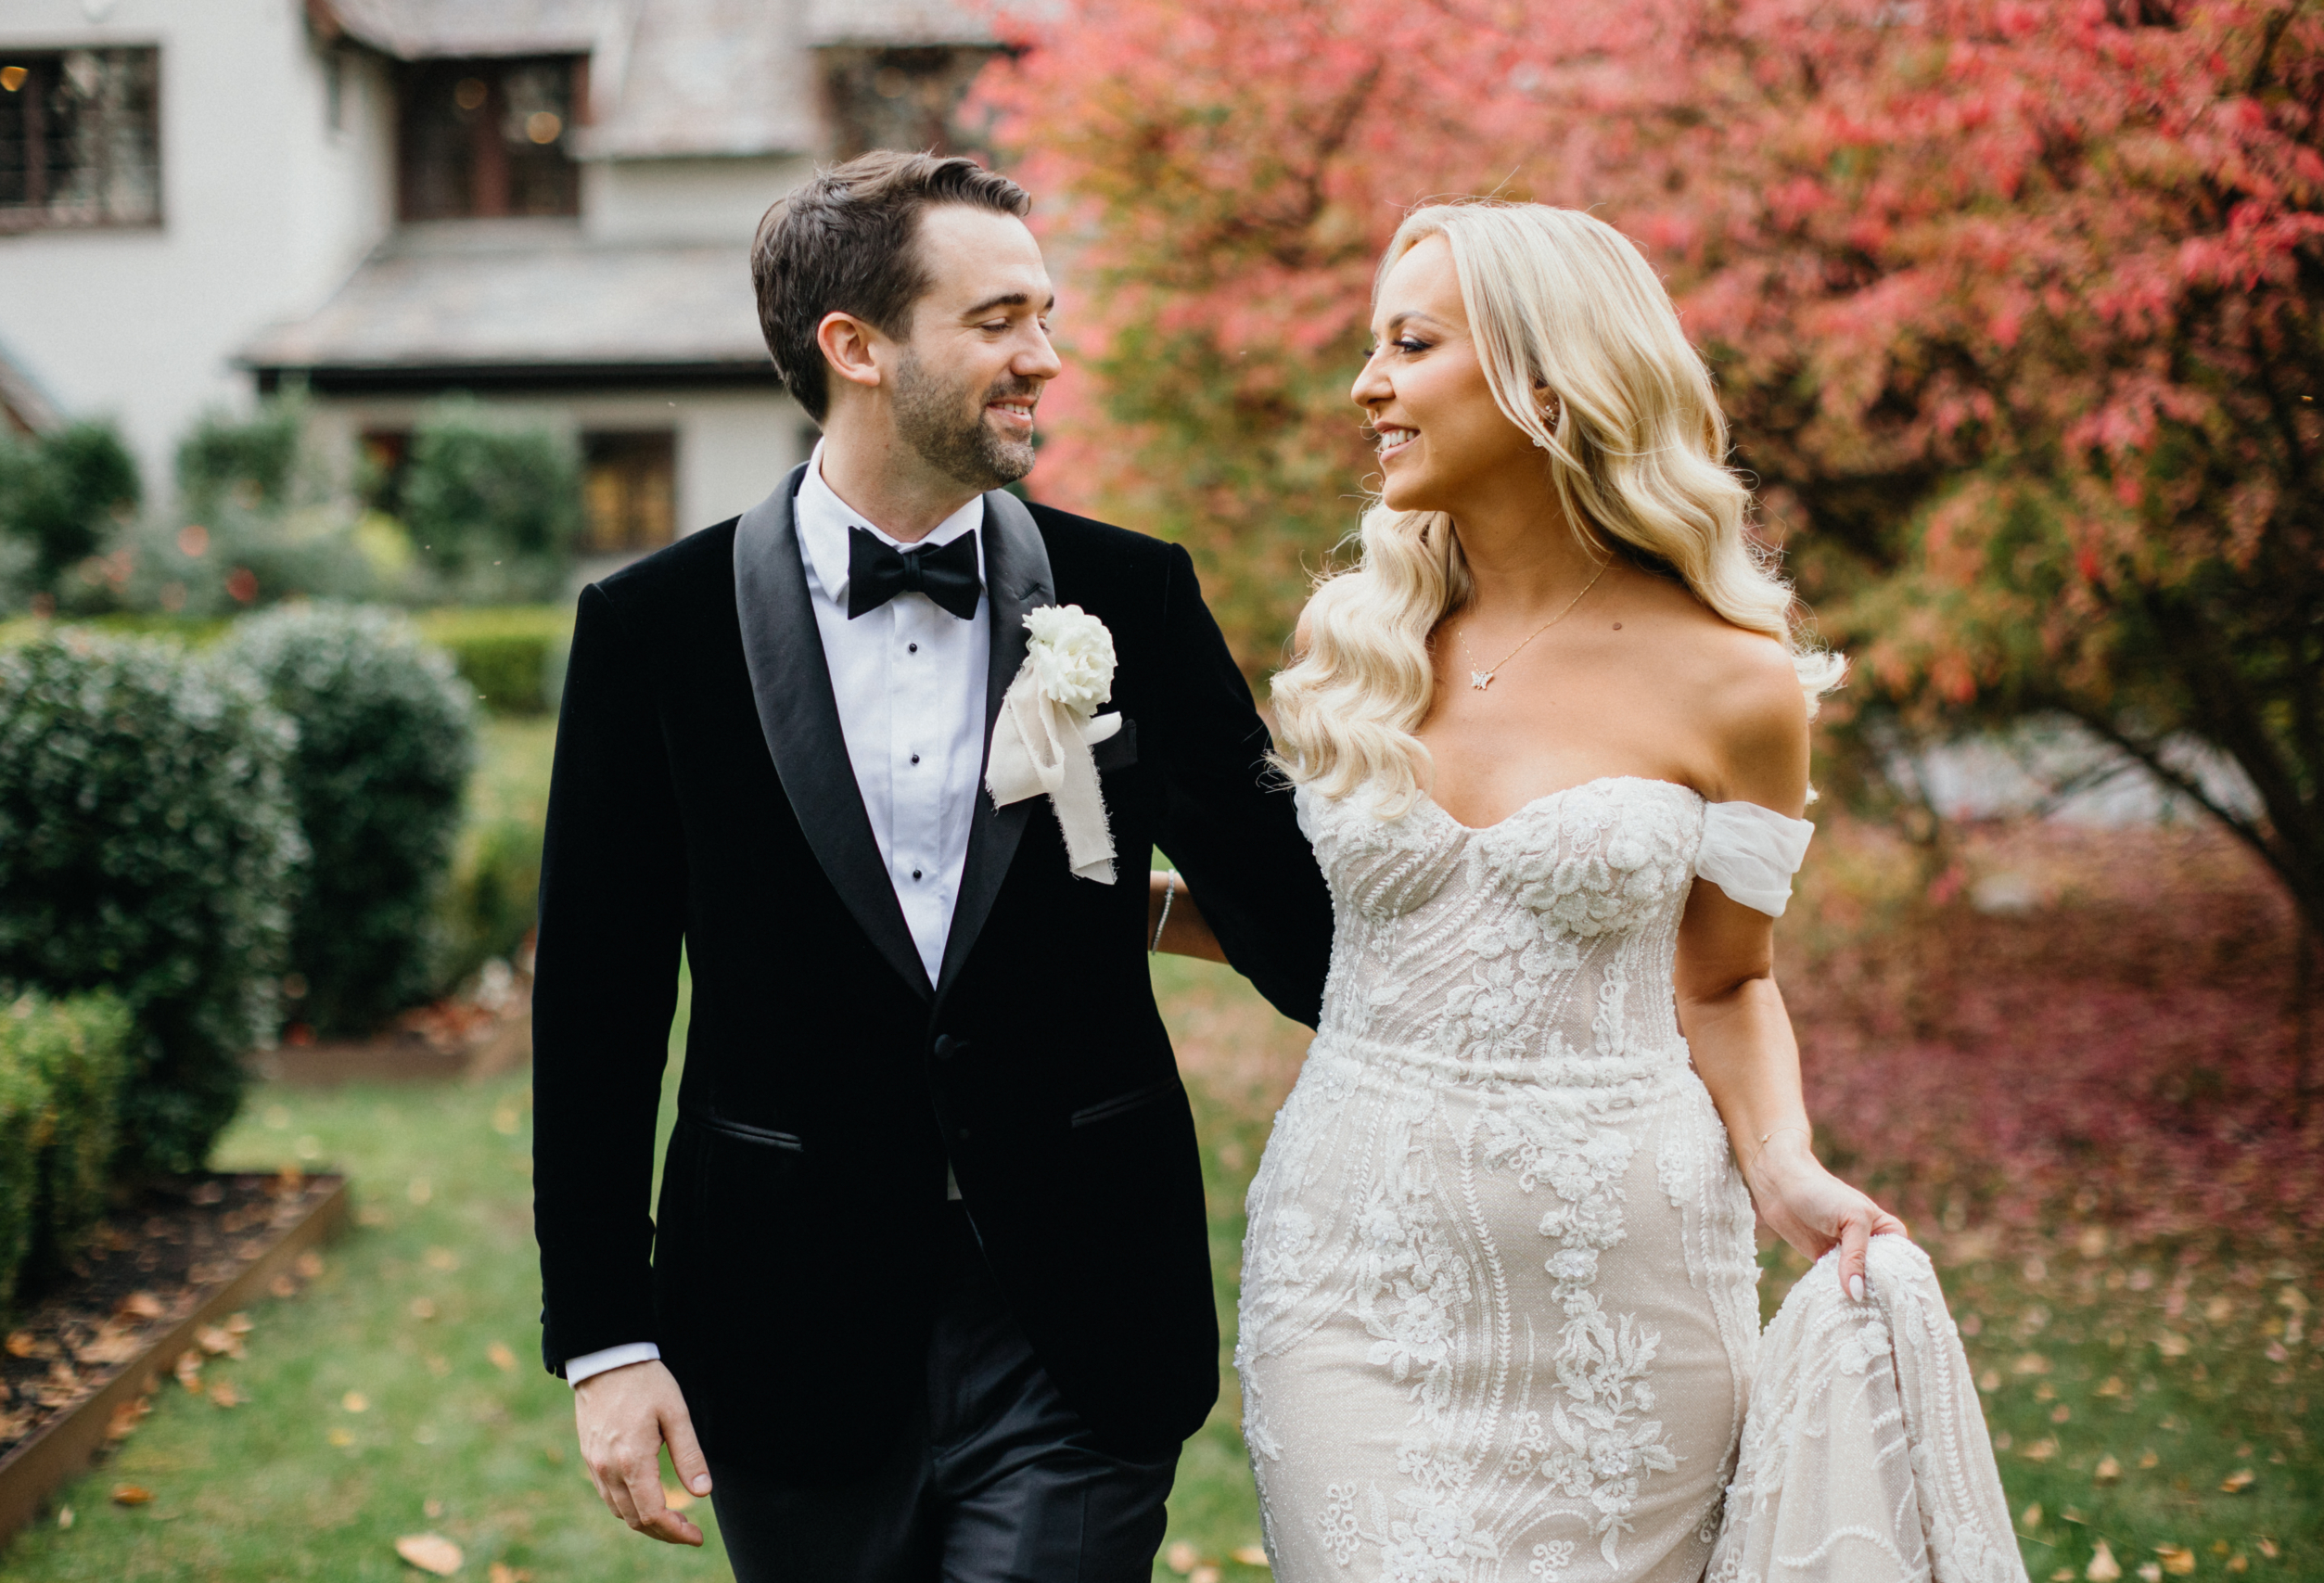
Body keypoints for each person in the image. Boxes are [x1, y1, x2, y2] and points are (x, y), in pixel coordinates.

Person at [529, 150, 1333, 1583]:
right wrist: (605, 1336)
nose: (1049, 356)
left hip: (1077, 1311)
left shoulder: (1131, 595)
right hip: (781, 1317)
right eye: (1001, 320)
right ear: (857, 347)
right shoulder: (649, 630)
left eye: (1047, 315)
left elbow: (1305, 932)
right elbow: (597, 1003)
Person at [1192, 198, 1945, 1580]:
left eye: (1409, 345)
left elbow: (1728, 979)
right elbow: (1317, 918)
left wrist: (1784, 1166)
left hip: (1628, 1289)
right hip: (1356, 1267)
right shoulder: (1355, 640)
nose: (1366, 385)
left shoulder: (1736, 681)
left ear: (1551, 381)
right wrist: (1092, 906)